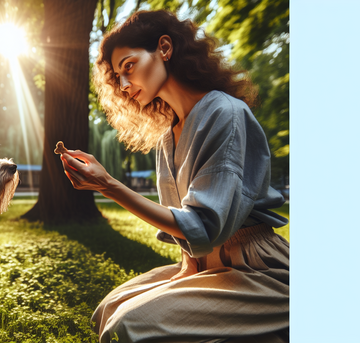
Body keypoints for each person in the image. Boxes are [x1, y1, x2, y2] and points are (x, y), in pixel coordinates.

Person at [59, 10, 289, 343]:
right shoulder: (168, 138)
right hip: (202, 266)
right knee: (108, 309)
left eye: (129, 66)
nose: (123, 86)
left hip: (256, 267)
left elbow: (203, 228)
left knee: (127, 327)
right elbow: (186, 234)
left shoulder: (226, 113)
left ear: (164, 48)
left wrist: (109, 186)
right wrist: (183, 276)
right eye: (117, 76)